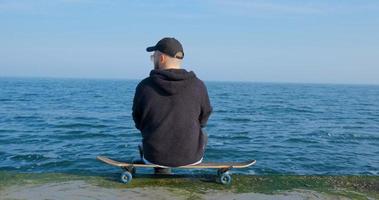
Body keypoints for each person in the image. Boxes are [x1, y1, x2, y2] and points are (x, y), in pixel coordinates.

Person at [132, 37, 212, 174]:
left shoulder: (144, 86)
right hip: (192, 157)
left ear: (161, 58)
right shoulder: (199, 85)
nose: (153, 60)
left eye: (153, 56)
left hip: (154, 156)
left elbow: (138, 121)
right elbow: (204, 119)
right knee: (202, 133)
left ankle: (161, 170)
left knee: (153, 133)